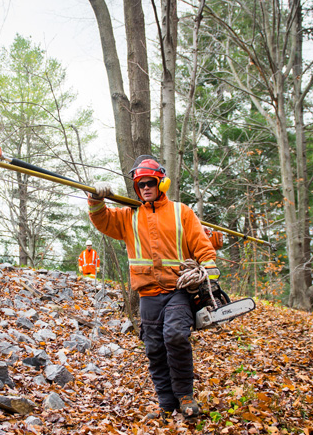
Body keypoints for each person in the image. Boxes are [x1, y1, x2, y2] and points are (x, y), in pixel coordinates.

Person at [87, 156, 219, 419]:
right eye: (141, 184)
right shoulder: (128, 215)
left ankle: (185, 397)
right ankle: (166, 403)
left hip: (178, 290)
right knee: (154, 347)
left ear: (161, 183)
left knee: (176, 336)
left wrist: (210, 272)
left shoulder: (182, 212)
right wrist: (96, 200)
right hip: (147, 293)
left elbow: (202, 244)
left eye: (151, 182)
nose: (146, 187)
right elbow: (102, 220)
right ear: (136, 187)